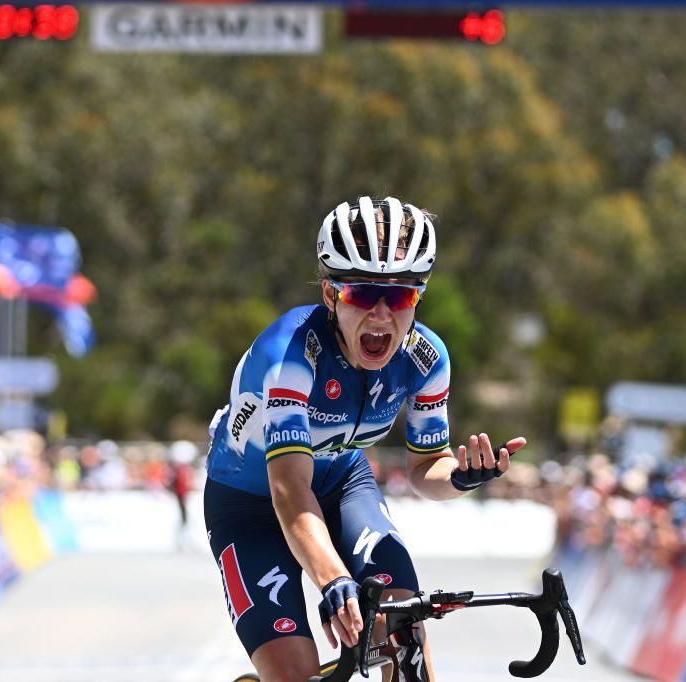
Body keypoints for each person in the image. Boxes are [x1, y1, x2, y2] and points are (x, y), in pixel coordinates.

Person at [202, 196, 526, 682]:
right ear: (331, 295)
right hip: (251, 505)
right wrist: (333, 579)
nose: (380, 316)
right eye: (361, 294)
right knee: (294, 674)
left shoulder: (425, 359)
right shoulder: (288, 356)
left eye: (400, 297)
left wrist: (461, 476)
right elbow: (289, 489)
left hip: (343, 486)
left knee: (403, 635)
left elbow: (424, 470)